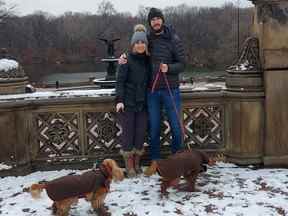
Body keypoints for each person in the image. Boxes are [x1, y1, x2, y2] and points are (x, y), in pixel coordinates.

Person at [119, 8, 186, 176]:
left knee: (176, 128)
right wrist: (123, 59)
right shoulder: (148, 39)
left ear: (162, 20)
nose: (156, 22)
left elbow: (183, 64)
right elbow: (137, 51)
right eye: (153, 20)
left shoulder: (174, 38)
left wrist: (169, 68)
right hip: (152, 91)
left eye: (158, 18)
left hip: (171, 90)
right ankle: (155, 162)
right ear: (150, 23)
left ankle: (176, 160)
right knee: (154, 128)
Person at [115, 24, 150, 177]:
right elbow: (120, 82)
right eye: (137, 43)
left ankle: (137, 162)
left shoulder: (149, 60)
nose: (140, 45)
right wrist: (119, 100)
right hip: (128, 103)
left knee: (140, 133)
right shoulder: (126, 59)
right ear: (133, 44)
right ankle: (129, 165)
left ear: (146, 44)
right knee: (128, 133)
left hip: (143, 103)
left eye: (143, 42)